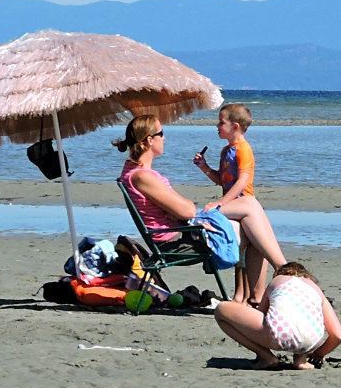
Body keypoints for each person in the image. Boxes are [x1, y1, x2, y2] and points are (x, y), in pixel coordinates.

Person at [114, 114, 289, 307]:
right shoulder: (141, 176)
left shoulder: (135, 171)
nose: (164, 138)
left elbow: (181, 209)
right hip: (178, 242)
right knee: (253, 216)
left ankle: (264, 290)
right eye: (161, 133)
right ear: (149, 140)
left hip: (184, 233)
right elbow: (187, 211)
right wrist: (186, 206)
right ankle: (282, 275)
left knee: (252, 213)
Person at [214, 261, 341, 371]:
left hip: (278, 334)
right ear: (307, 276)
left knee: (221, 310)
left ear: (281, 273)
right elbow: (338, 335)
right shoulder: (315, 289)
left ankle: (265, 356)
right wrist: (318, 354)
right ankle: (301, 360)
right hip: (311, 340)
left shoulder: (278, 280)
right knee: (305, 320)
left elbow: (261, 313)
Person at [192, 103, 261, 303]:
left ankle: (246, 294)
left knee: (245, 249)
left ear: (236, 126)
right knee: (238, 248)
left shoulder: (243, 149)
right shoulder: (225, 151)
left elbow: (242, 181)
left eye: (221, 122)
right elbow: (223, 180)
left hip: (243, 204)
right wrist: (204, 167)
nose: (217, 126)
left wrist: (220, 203)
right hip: (231, 203)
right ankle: (240, 292)